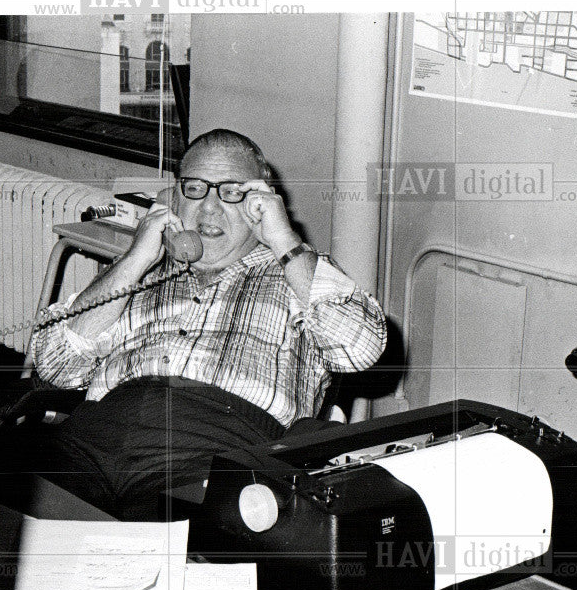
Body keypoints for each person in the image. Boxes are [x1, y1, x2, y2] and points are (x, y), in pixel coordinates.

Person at [19, 129, 387, 520]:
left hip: (212, 452)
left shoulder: (298, 274)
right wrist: (135, 258)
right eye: (195, 188)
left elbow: (360, 348)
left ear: (262, 203)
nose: (209, 209)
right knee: (9, 530)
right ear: (175, 199)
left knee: (162, 558)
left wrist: (284, 241)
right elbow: (54, 365)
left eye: (231, 192)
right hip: (93, 440)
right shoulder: (140, 273)